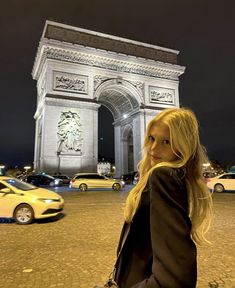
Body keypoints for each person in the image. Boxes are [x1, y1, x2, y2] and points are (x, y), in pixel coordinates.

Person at [103, 107, 212, 288]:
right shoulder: (179, 177)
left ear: (182, 146)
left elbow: (174, 279)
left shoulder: (163, 176)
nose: (153, 148)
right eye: (152, 138)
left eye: (166, 142)